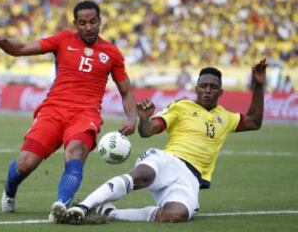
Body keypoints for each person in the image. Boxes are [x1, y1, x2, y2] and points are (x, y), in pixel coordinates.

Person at [0, 0, 137, 223]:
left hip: (86, 114)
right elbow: (20, 49)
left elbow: (125, 91)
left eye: (93, 22)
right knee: (25, 164)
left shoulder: (112, 53)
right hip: (54, 110)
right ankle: (10, 191)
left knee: (75, 152)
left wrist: (132, 118)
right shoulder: (62, 40)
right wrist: (3, 42)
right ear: (75, 23)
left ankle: (61, 205)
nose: (88, 27)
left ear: (100, 22)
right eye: (83, 23)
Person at [66, 59, 267, 224]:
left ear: (221, 93)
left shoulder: (226, 117)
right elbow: (148, 131)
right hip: (168, 160)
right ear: (196, 89)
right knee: (142, 175)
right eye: (203, 86)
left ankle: (109, 213)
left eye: (213, 87)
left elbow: (255, 121)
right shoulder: (181, 107)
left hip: (191, 178)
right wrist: (144, 119)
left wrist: (258, 84)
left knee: (176, 215)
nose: (207, 91)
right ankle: (82, 206)